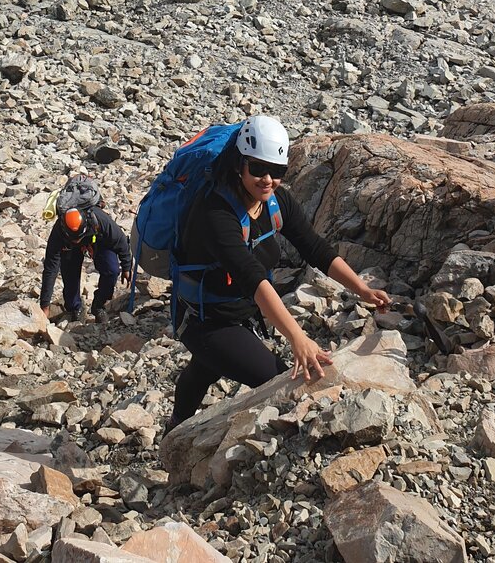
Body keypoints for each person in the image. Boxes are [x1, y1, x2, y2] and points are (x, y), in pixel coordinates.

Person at [167, 113, 391, 429]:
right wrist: (298, 338)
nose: (267, 179)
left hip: (240, 312)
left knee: (206, 367)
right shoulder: (214, 212)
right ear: (238, 163)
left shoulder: (276, 201)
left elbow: (315, 248)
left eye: (277, 171)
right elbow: (251, 276)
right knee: (276, 379)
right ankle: (180, 436)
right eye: (257, 168)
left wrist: (362, 289)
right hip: (205, 320)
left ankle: (174, 428)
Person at [40, 204, 132, 323]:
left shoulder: (100, 221)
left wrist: (126, 267)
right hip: (70, 248)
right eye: (73, 238)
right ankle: (74, 309)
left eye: (78, 237)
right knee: (69, 274)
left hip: (97, 240)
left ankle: (99, 306)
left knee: (112, 271)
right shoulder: (58, 232)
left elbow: (121, 241)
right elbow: (50, 269)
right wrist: (45, 305)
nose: (76, 240)